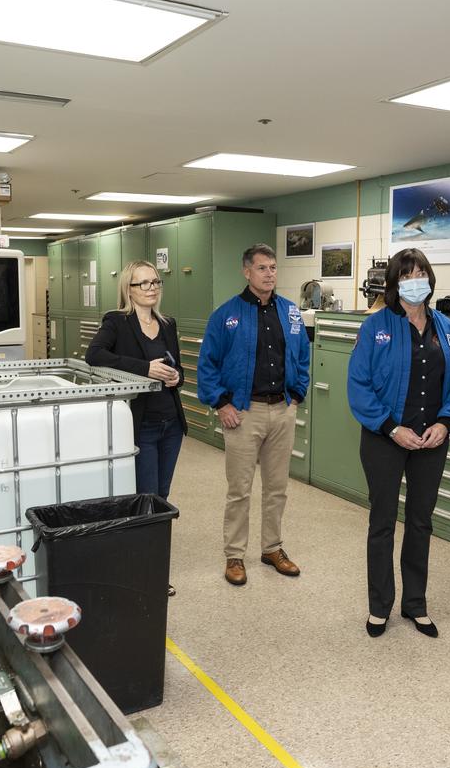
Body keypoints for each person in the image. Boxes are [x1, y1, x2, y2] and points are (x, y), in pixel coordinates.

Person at [348, 248, 450, 638]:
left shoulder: (445, 328)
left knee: (420, 522)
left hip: (431, 440)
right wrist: (390, 427)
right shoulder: (376, 326)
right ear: (394, 283)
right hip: (385, 438)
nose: (415, 281)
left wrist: (446, 423)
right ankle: (379, 606)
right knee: (382, 522)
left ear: (430, 279)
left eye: (420, 273)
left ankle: (415, 604)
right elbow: (359, 385)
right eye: (406, 275)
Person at [197, 244, 311, 587]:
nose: (269, 274)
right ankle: (234, 554)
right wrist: (222, 404)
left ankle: (272, 548)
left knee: (277, 488)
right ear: (247, 272)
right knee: (240, 490)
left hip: (282, 410)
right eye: (262, 268)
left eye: (273, 267)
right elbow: (207, 365)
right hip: (245, 413)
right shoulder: (226, 315)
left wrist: (297, 395)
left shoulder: (290, 312)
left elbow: (303, 356)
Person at [86, 259, 183, 598]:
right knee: (145, 497)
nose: (151, 288)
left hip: (171, 423)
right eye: (143, 283)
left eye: (155, 282)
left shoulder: (167, 324)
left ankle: (151, 566)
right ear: (128, 289)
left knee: (161, 497)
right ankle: (146, 572)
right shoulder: (117, 322)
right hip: (142, 425)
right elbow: (95, 355)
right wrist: (145, 369)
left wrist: (176, 376)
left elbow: (177, 368)